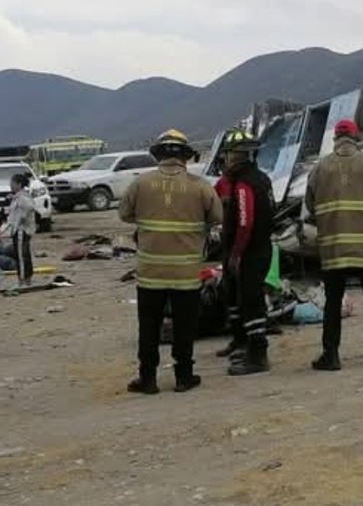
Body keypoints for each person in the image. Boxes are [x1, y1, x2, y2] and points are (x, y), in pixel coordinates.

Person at [119, 129, 224, 395]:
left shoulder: (140, 184)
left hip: (150, 271)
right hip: (186, 273)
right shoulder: (200, 186)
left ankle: (148, 379)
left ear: (158, 156)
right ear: (186, 158)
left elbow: (124, 214)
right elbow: (217, 217)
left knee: (149, 326)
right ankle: (184, 377)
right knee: (185, 325)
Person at [305, 118, 363, 372]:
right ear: (356, 138)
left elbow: (310, 206)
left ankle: (331, 355)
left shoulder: (319, 169)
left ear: (335, 139)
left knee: (333, 302)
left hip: (334, 248)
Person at [214, 130, 278, 376]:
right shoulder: (260, 178)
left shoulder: (243, 183)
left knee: (251, 302)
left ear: (234, 156)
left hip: (249, 251)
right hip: (256, 248)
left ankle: (257, 355)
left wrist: (236, 253)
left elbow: (245, 222)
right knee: (237, 297)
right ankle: (242, 342)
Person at [0, 173, 36, 287]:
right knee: (23, 255)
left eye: (12, 183)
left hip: (21, 230)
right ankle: (26, 279)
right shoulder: (19, 197)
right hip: (20, 230)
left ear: (19, 184)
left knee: (21, 256)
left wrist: (19, 220)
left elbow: (25, 211)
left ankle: (23, 280)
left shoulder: (22, 198)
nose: (11, 185)